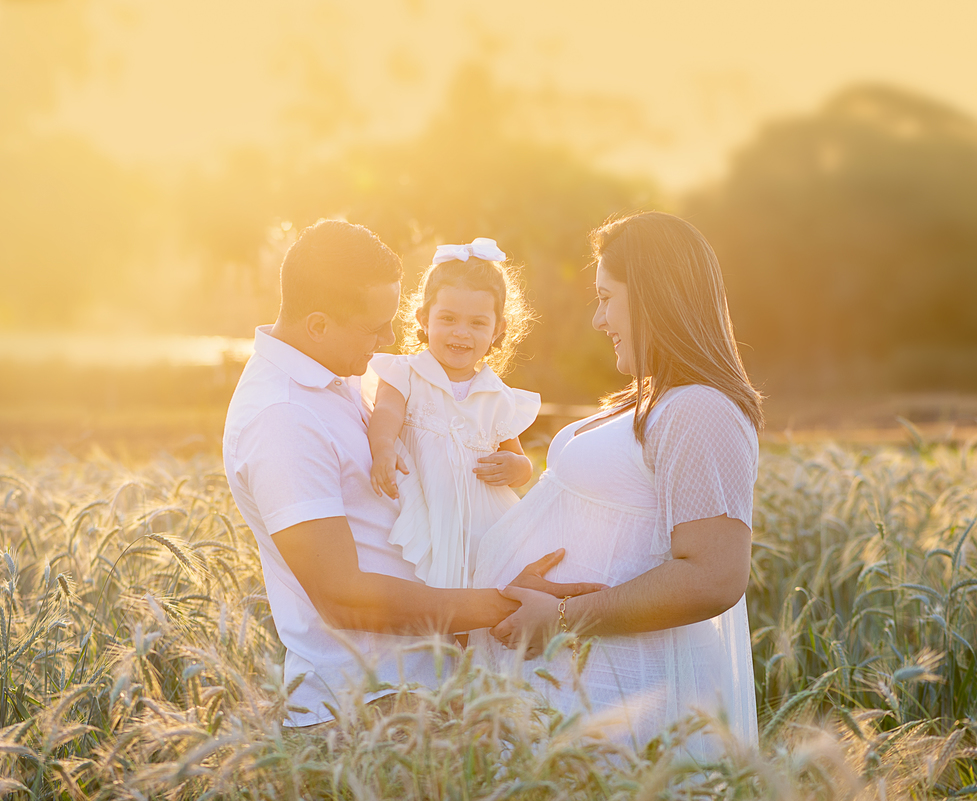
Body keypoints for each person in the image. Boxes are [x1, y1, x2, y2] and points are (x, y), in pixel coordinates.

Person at [222, 219, 600, 729]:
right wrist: (504, 605)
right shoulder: (282, 416)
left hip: (431, 687)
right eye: (376, 326)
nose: (393, 339)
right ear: (317, 325)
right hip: (366, 708)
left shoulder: (338, 377)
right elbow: (340, 595)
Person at [470, 211, 764, 755]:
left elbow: (715, 575)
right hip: (581, 693)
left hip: (626, 702)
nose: (598, 320)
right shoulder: (652, 399)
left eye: (607, 298)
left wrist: (560, 618)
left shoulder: (699, 408)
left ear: (653, 298)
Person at [368, 238, 540, 590]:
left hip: (483, 528)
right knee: (427, 599)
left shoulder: (496, 396)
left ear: (498, 330)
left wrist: (516, 468)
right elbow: (385, 412)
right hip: (427, 516)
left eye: (477, 323)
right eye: (447, 318)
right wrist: (382, 447)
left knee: (482, 604)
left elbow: (521, 463)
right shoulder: (407, 374)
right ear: (423, 318)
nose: (461, 332)